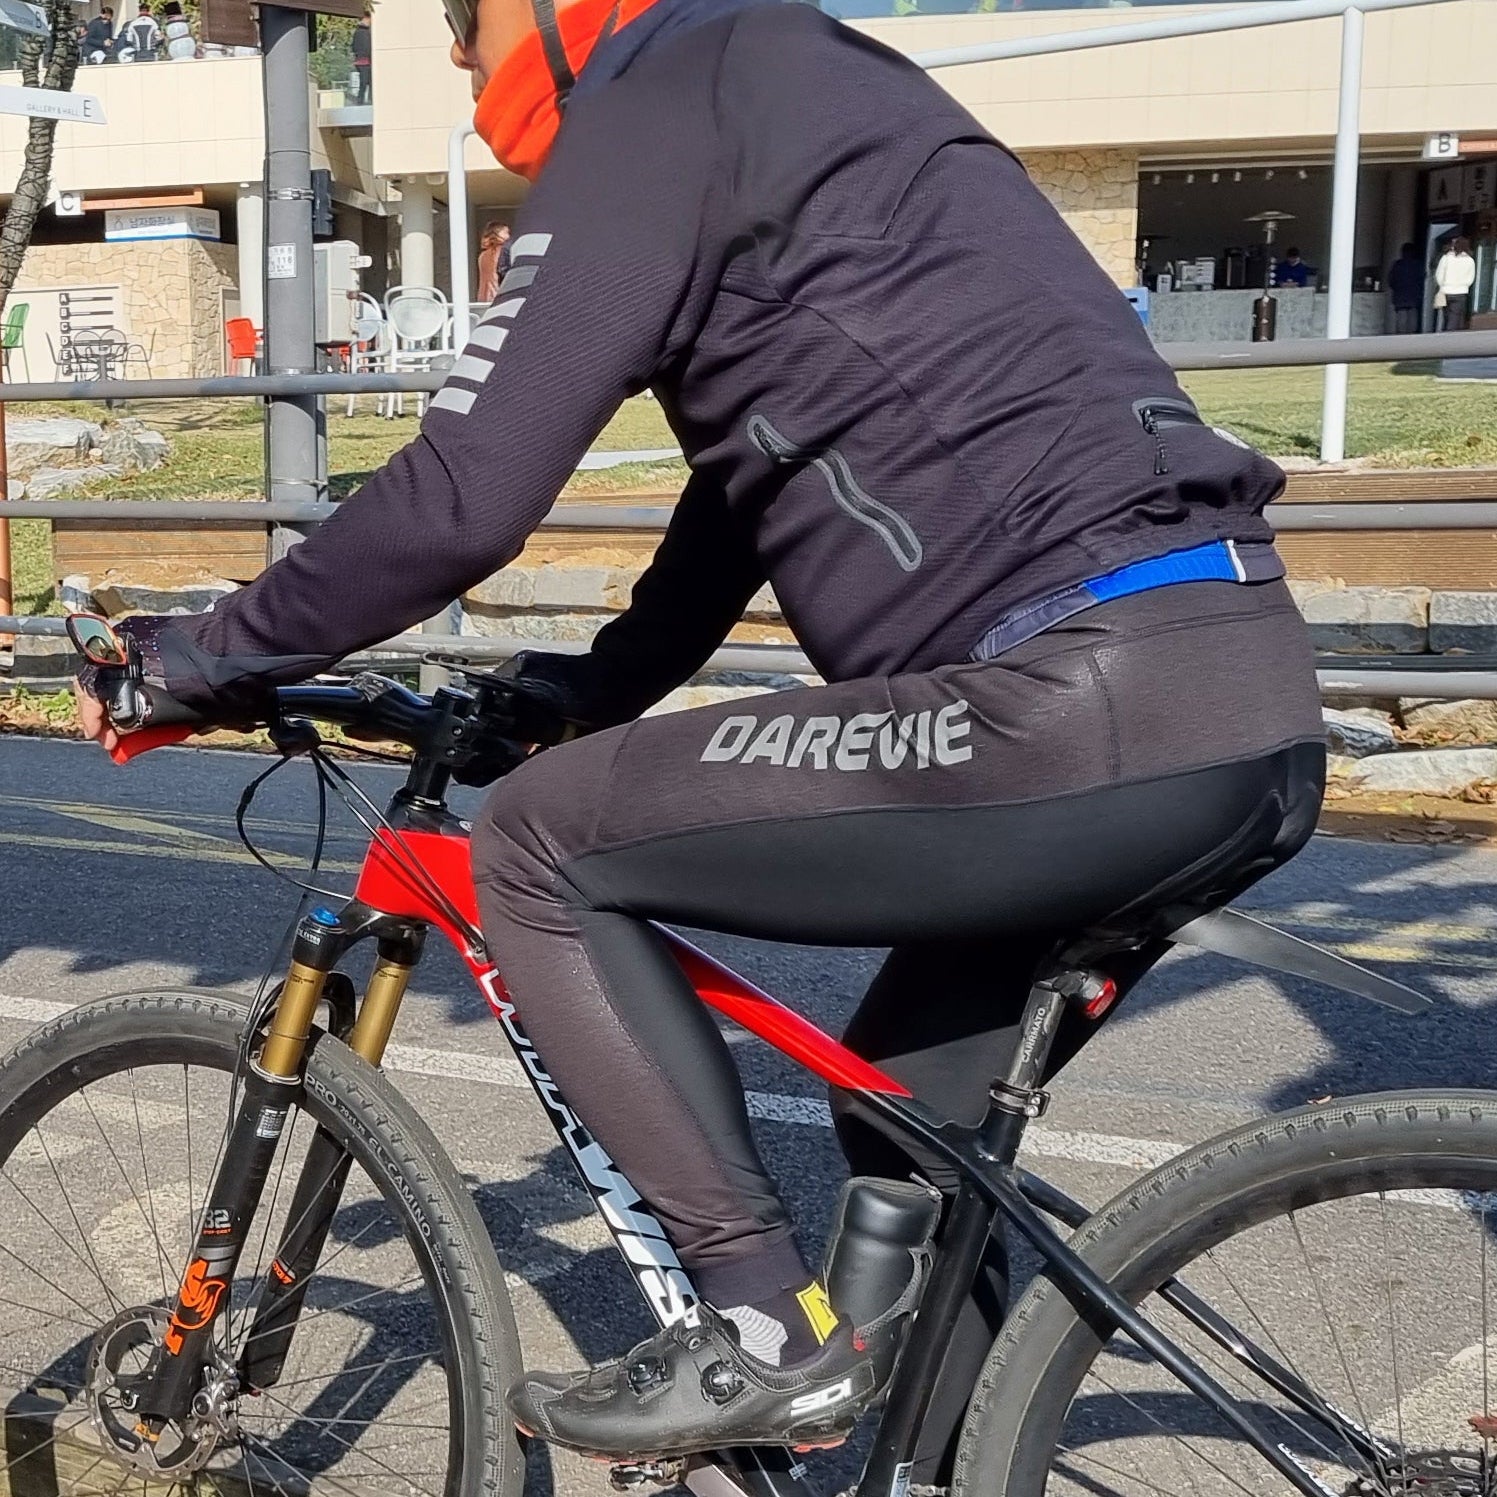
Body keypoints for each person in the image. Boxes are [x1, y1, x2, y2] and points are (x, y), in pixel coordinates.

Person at [74, 0, 1327, 1471]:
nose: (461, 59)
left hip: (1070, 696)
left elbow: (465, 493)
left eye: (463, 21)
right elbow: (752, 478)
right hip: (1228, 698)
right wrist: (597, 687)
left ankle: (760, 1322)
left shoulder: (658, 94)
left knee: (537, 845)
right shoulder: (785, 74)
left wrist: (200, 659)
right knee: (910, 1129)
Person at [1435, 235, 1477, 331]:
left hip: (1446, 290)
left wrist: (1442, 285)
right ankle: (1449, 332)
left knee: (1446, 315)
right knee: (1455, 315)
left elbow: (1439, 275)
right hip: (1461, 291)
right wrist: (1464, 285)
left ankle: (1447, 330)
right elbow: (1471, 278)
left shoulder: (1445, 258)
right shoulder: (1470, 260)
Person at [1388, 240, 1425, 335]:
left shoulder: (1397, 265)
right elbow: (1422, 279)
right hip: (1414, 296)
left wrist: (1396, 289)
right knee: (1413, 320)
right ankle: (1411, 336)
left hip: (1399, 297)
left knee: (1401, 321)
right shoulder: (1418, 265)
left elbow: (1391, 281)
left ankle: (1401, 337)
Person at [475, 220, 510, 300]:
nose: (508, 236)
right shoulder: (502, 251)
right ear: (497, 234)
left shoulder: (482, 255)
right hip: (498, 296)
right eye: (506, 232)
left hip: (483, 297)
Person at [351, 9, 372, 103]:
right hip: (364, 60)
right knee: (366, 82)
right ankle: (362, 101)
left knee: (364, 82)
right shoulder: (364, 32)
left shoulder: (359, 31)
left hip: (361, 60)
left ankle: (361, 101)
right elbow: (365, 47)